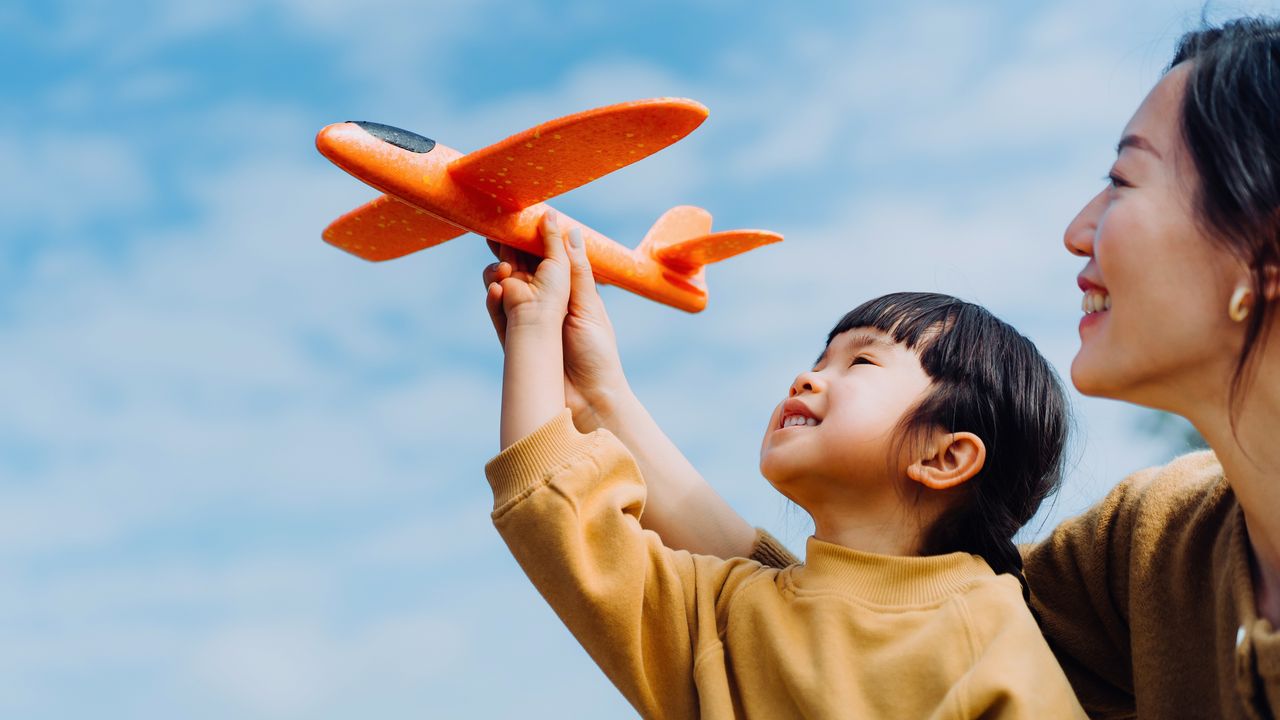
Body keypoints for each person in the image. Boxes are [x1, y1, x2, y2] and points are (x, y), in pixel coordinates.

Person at [537, 17, 1280, 719]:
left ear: (1263, 242)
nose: (1077, 230)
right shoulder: (1152, 551)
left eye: (1123, 181)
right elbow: (864, 618)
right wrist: (603, 400)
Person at [480, 211, 1085, 717]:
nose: (808, 376)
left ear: (946, 456)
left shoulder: (986, 633)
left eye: (863, 364)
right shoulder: (727, 614)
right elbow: (560, 517)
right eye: (820, 359)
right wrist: (551, 348)